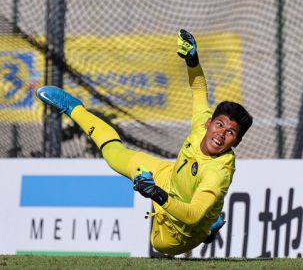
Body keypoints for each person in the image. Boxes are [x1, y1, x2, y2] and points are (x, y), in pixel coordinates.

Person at [35, 29, 253, 255]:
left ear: (236, 141)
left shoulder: (219, 172)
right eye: (220, 125)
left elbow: (192, 214)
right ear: (208, 123)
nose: (221, 134)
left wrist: (156, 193)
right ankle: (73, 108)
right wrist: (193, 61)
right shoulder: (201, 126)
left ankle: (207, 230)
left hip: (182, 229)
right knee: (114, 156)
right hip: (169, 178)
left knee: (159, 245)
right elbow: (199, 89)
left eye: (231, 133)